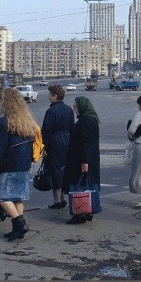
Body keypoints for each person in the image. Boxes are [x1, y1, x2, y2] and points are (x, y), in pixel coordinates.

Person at [0, 87, 37, 241]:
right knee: (17, 197)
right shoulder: (27, 121)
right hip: (24, 165)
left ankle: (20, 224)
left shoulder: (4, 122)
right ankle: (17, 229)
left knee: (1, 197)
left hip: (9, 166)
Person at [62, 96, 101, 225]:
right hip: (86, 159)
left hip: (80, 160)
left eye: (75, 106)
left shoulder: (86, 121)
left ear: (82, 106)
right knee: (86, 185)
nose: (74, 109)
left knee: (79, 186)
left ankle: (79, 213)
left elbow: (86, 143)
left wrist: (85, 161)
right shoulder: (90, 119)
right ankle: (87, 210)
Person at [41, 83, 74, 210]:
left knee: (55, 169)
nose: (49, 97)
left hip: (55, 141)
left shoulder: (51, 111)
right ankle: (63, 198)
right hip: (67, 140)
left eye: (50, 94)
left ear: (55, 96)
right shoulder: (69, 110)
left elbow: (46, 130)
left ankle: (56, 200)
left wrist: (45, 147)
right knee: (65, 169)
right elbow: (72, 127)